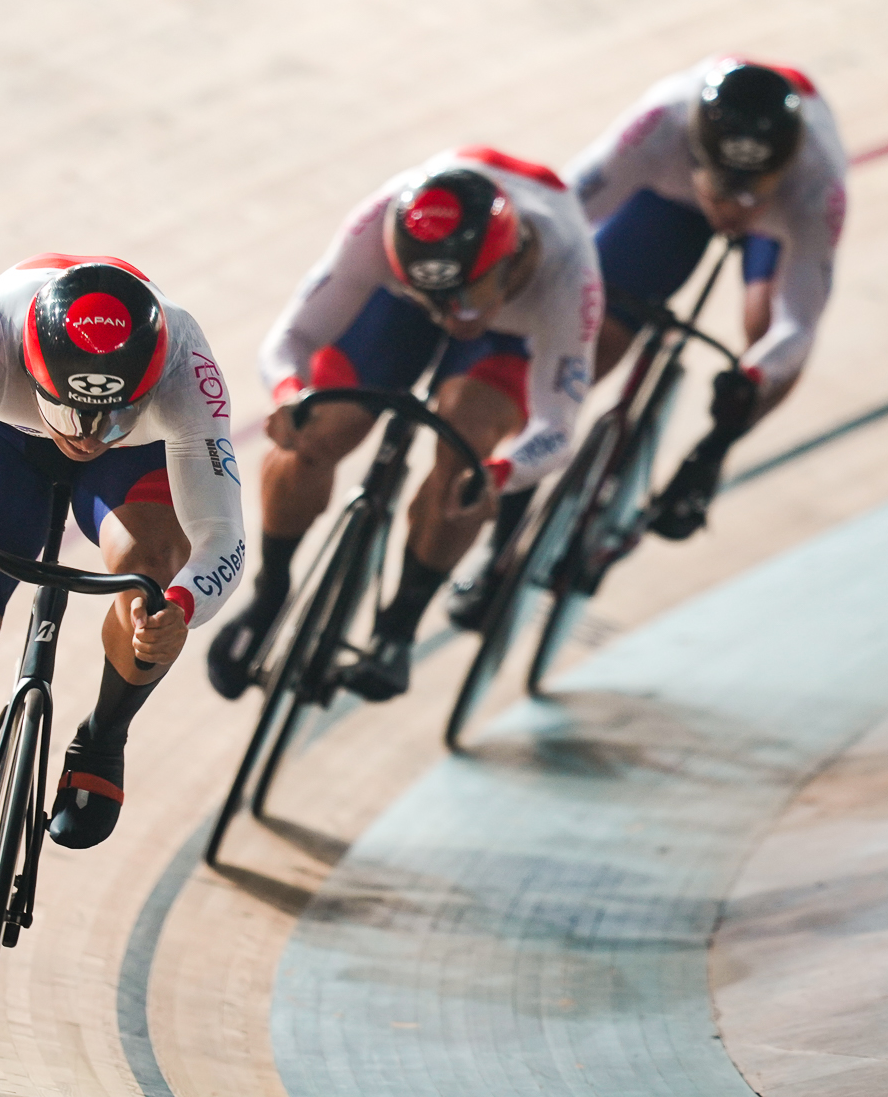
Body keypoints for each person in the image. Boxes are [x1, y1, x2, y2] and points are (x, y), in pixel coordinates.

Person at [0, 256, 245, 1022]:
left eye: (111, 414)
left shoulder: (186, 367)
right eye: (73, 412)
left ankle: (103, 734)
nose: (89, 434)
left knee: (149, 582)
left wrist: (182, 606)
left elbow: (222, 537)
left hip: (134, 473)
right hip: (1, 445)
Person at [205, 148, 601, 702]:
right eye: (436, 300)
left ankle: (399, 628)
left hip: (510, 332)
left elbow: (558, 424)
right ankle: (269, 592)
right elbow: (289, 340)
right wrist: (291, 396)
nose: (449, 315)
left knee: (467, 454)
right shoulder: (378, 225)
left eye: (464, 298)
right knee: (317, 431)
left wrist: (501, 472)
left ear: (510, 262)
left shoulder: (568, 271)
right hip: (397, 302)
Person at [566, 57, 846, 541]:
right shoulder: (661, 124)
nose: (735, 211)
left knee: (765, 329)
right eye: (723, 194)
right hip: (670, 200)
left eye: (752, 196)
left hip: (780, 226)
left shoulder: (817, 179)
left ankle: (712, 454)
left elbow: (798, 323)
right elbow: (566, 213)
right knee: (600, 338)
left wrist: (751, 379)